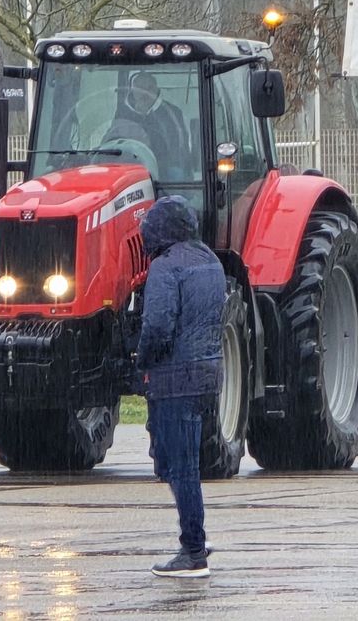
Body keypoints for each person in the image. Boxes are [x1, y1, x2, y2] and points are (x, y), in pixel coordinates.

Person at [138, 195, 224, 579]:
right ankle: (195, 541)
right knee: (186, 463)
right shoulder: (211, 261)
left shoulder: (165, 267)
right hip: (207, 376)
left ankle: (192, 549)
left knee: (180, 466)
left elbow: (158, 326)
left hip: (174, 379)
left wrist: (139, 359)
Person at [116, 71, 187, 177]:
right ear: (133, 90)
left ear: (156, 90)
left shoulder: (171, 113)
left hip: (164, 169)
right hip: (129, 167)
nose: (144, 93)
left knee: (177, 174)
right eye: (140, 88)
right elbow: (113, 138)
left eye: (149, 88)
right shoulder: (123, 113)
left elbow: (178, 145)